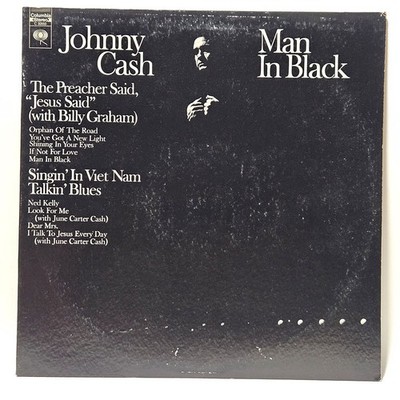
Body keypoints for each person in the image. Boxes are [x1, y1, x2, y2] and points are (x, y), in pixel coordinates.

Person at [186, 36, 220, 122]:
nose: (199, 56)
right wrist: (189, 115)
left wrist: (222, 112)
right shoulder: (187, 87)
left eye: (205, 49)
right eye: (196, 52)